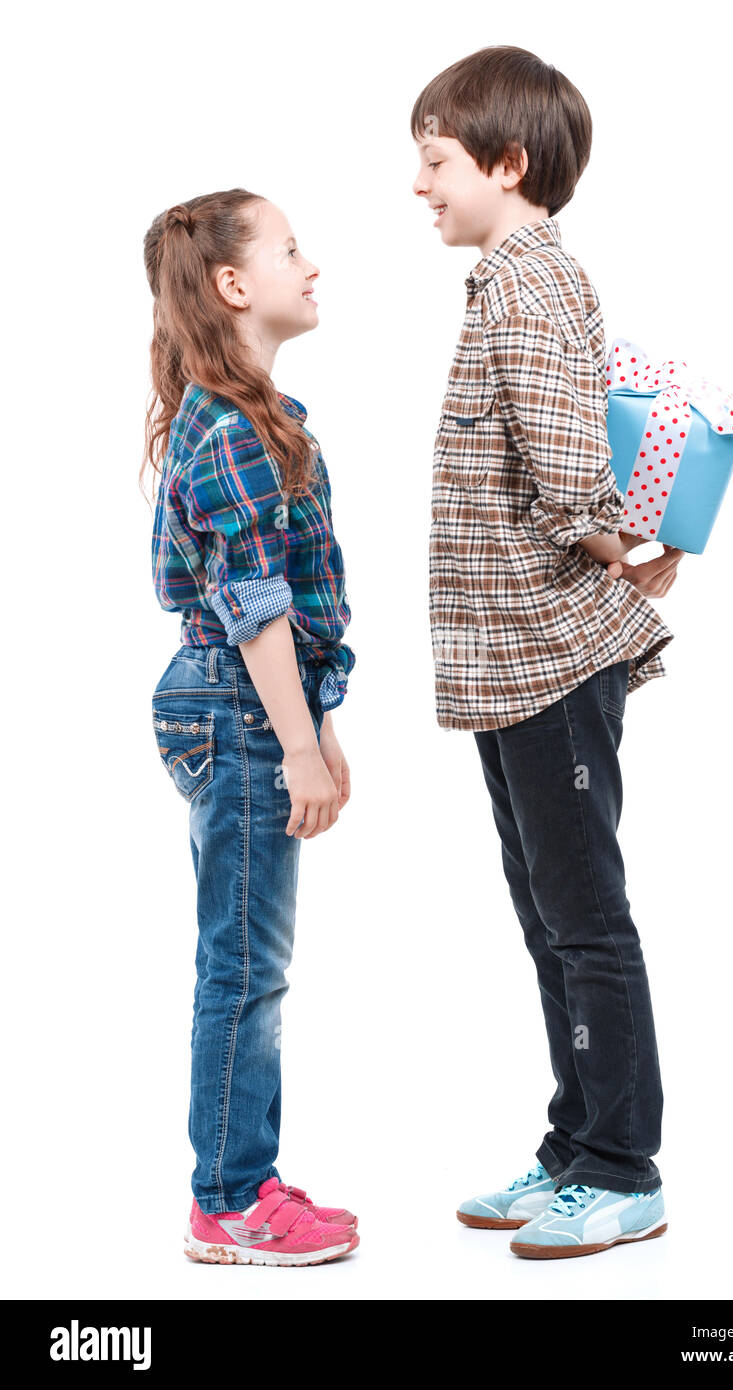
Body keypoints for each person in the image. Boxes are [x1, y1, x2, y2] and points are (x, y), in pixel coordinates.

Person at [411, 47, 683, 1260]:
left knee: (582, 916)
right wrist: (616, 529)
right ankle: (575, 1146)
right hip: (509, 655)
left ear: (506, 163)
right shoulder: (510, 281)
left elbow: (563, 448)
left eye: (434, 160)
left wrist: (612, 536)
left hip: (549, 650)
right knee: (546, 911)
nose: (419, 185)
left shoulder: (525, 283)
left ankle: (623, 1166)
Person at [142, 189, 359, 1267]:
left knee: (246, 958)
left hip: (245, 706)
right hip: (235, 706)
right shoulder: (226, 429)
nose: (310, 265)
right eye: (288, 250)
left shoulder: (250, 416)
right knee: (243, 966)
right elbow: (255, 604)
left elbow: (278, 607)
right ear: (233, 286)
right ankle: (228, 1197)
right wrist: (298, 741)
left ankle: (244, 1173)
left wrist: (315, 722)